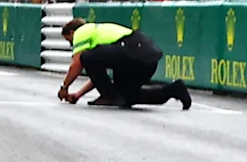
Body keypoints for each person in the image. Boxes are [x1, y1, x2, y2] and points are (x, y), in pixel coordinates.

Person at [59, 19, 189, 109]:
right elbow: (98, 77)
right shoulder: (100, 37)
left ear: (72, 32)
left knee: (85, 57)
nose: (72, 45)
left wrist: (64, 87)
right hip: (145, 59)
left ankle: (109, 96)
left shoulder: (83, 31)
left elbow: (77, 63)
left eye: (70, 41)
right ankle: (174, 89)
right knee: (127, 97)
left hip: (134, 52)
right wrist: (79, 94)